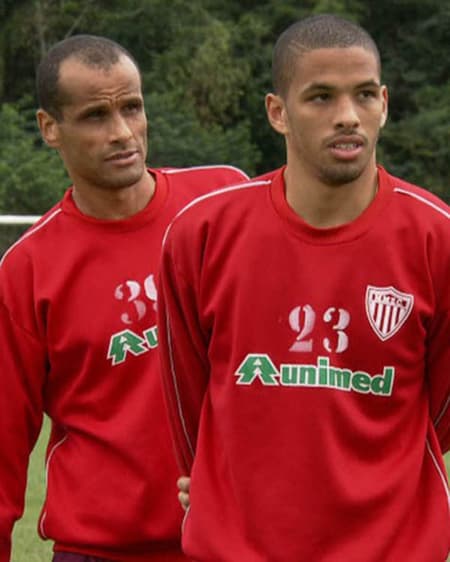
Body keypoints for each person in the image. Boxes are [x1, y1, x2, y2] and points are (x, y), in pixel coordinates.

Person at [157, 14, 450, 562]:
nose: (348, 117)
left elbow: (437, 414)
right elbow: (187, 401)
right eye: (320, 97)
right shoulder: (202, 234)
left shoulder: (438, 239)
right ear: (278, 113)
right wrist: (220, 487)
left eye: (364, 95)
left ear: (384, 103)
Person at [0, 35, 249, 562]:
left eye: (131, 108)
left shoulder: (222, 205)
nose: (122, 133)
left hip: (233, 542)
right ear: (50, 129)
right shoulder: (28, 270)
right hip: (99, 551)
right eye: (95, 116)